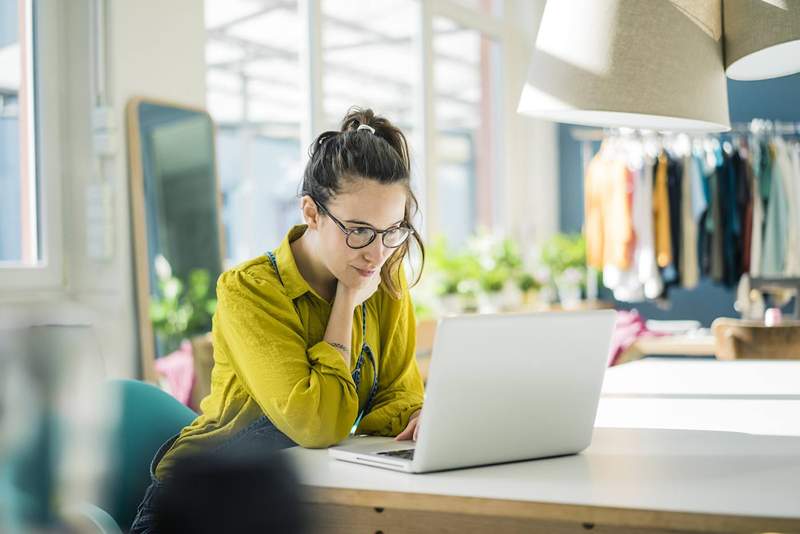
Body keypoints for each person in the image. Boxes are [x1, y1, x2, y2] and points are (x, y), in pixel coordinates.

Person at [130, 107, 426, 533]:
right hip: (203, 505)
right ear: (311, 212)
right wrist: (346, 301)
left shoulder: (383, 283)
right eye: (359, 231)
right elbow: (318, 424)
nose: (377, 253)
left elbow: (396, 400)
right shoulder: (249, 291)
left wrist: (416, 418)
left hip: (302, 496)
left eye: (391, 231)